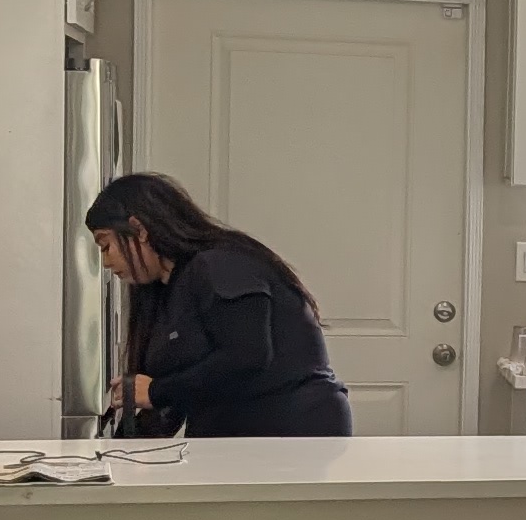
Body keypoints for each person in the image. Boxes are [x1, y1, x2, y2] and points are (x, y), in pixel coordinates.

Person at [85, 172, 351, 438]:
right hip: (244, 435)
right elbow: (180, 392)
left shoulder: (219, 265)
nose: (105, 262)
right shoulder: (166, 290)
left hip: (294, 429)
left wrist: (155, 392)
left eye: (106, 245)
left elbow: (247, 357)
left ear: (140, 230)